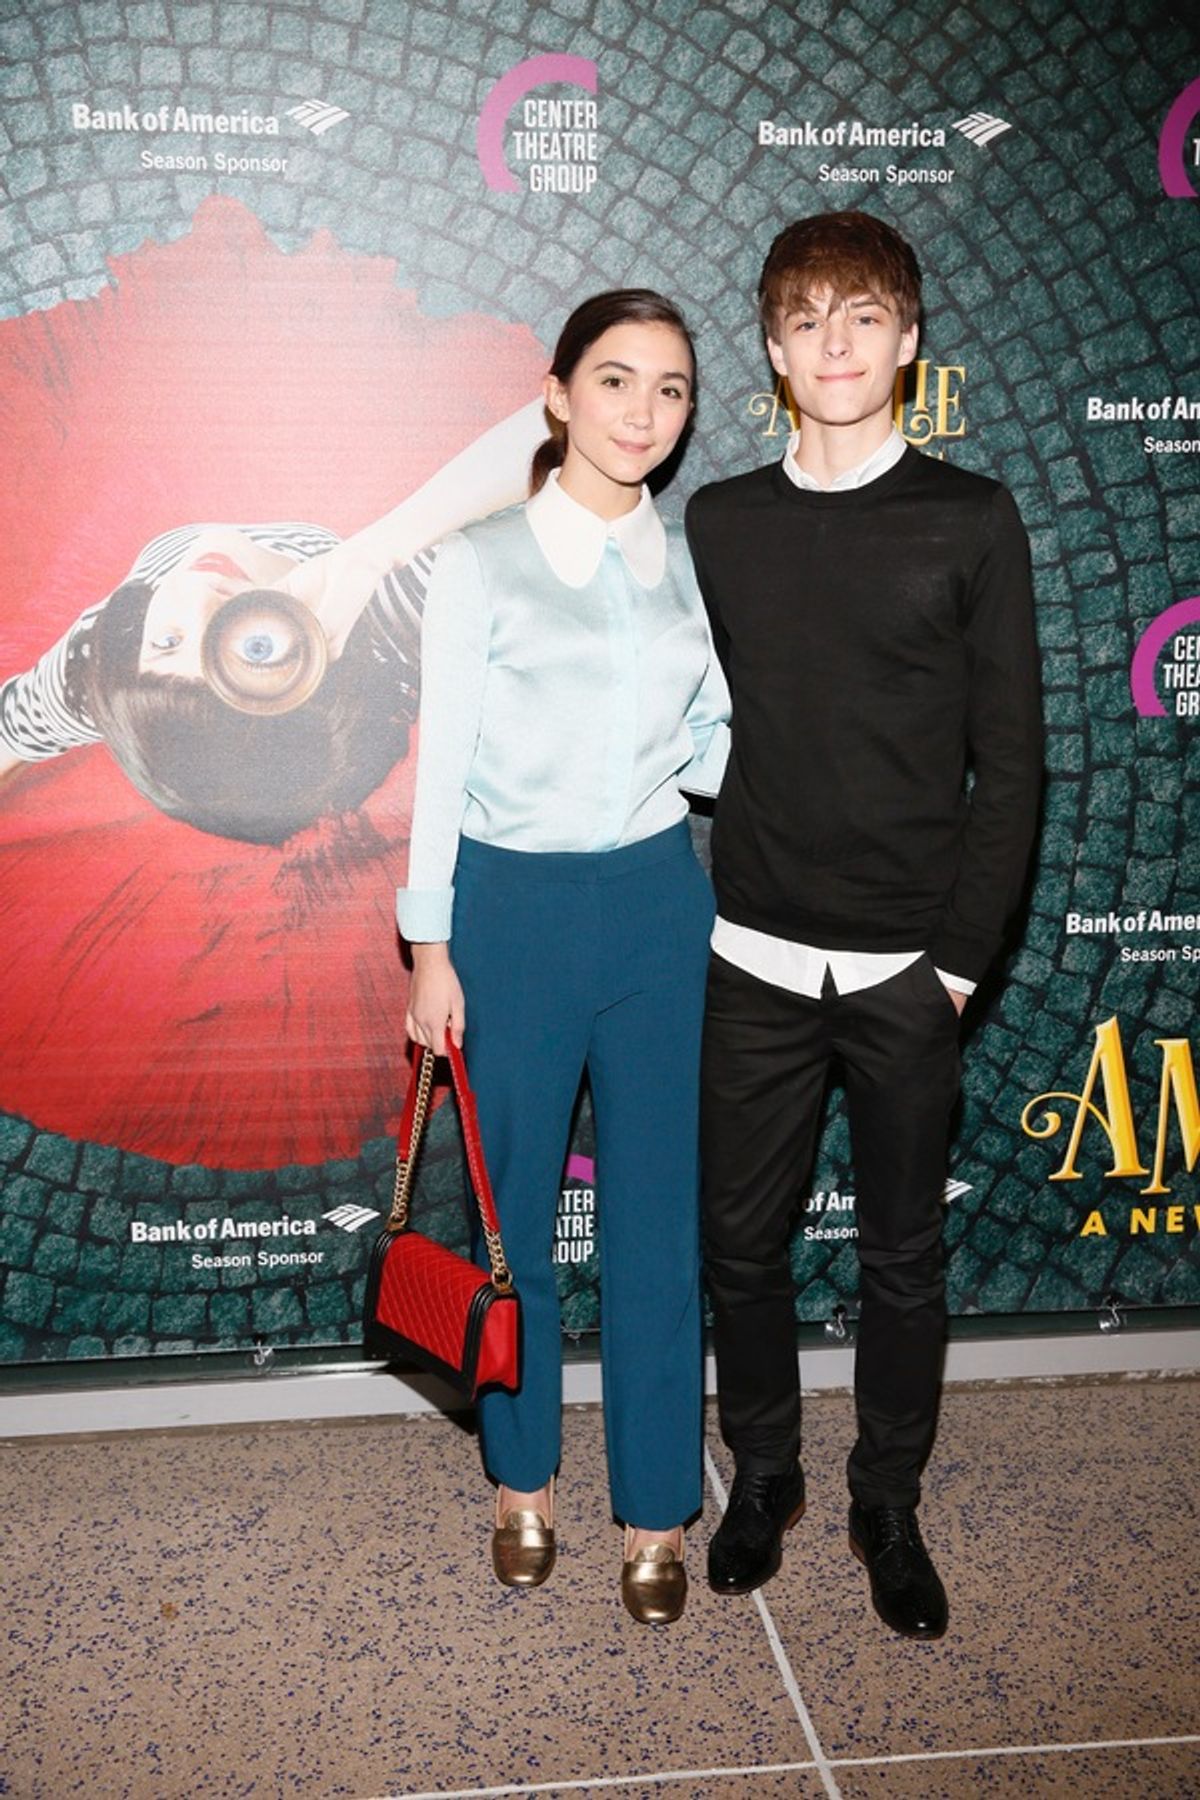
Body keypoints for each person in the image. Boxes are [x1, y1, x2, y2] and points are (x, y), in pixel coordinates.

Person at [685, 210, 1042, 1638]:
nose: (835, 344)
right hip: (753, 950)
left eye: (863, 317)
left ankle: (885, 1499)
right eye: (806, 320)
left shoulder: (971, 518)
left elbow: (1010, 763)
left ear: (909, 339)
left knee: (905, 1253)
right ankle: (762, 1471)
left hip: (910, 966)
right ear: (772, 349)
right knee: (740, 1242)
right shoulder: (718, 522)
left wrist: (957, 965)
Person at [398, 289, 729, 1624]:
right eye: (616, 381)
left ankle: (656, 1509)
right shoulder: (480, 557)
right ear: (556, 393)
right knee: (510, 1221)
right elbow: (440, 769)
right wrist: (429, 944)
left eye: (669, 390)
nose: (643, 413)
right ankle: (520, 1482)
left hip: (659, 907)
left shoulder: (689, 564)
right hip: (510, 912)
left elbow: (710, 743)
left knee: (660, 1225)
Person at [0, 403, 545, 842]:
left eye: (167, 642)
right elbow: (594, 422)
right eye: (253, 650)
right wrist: (375, 556)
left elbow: (10, 735)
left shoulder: (96, 664)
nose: (199, 597)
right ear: (310, 672)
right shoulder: (402, 615)